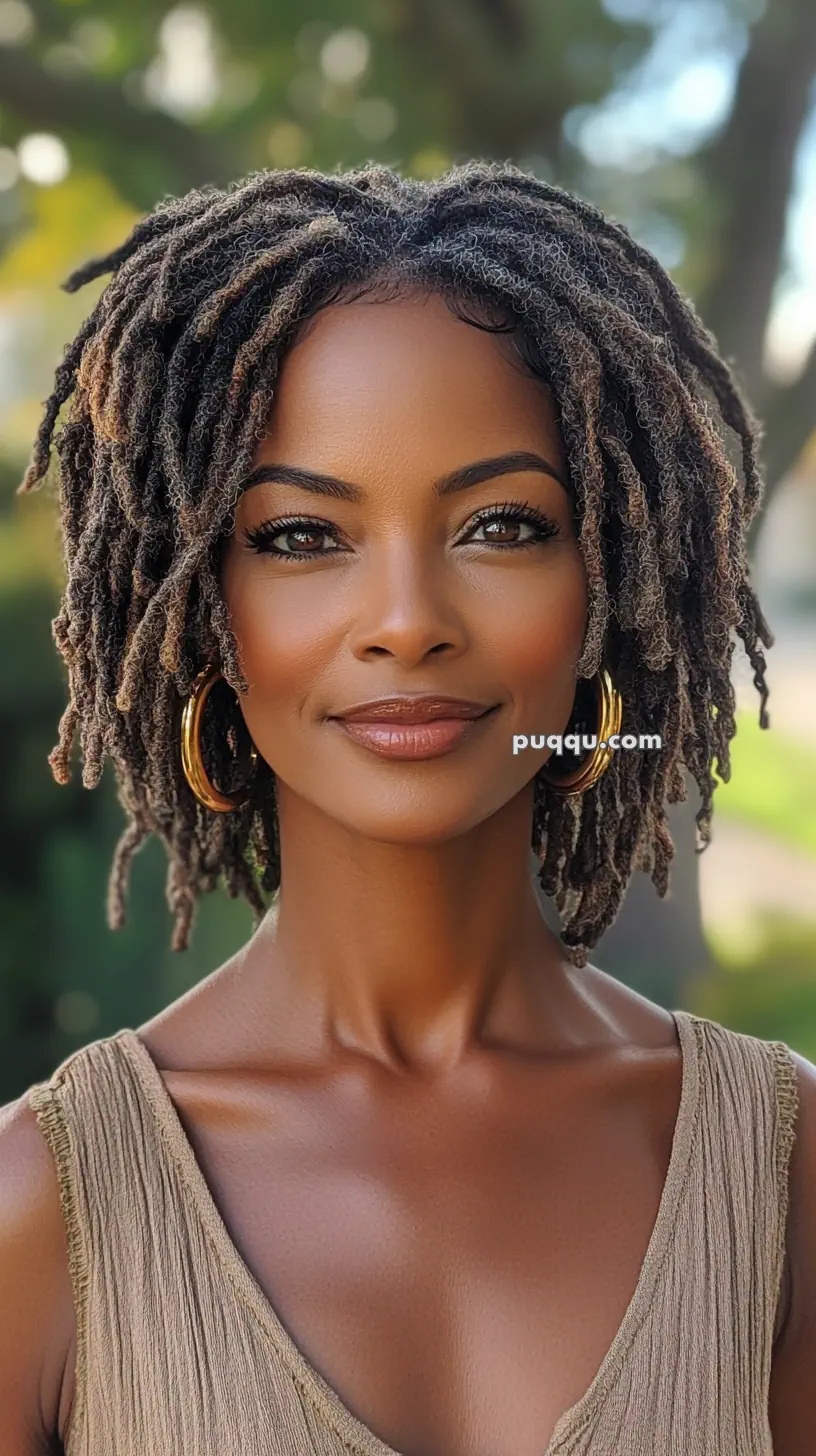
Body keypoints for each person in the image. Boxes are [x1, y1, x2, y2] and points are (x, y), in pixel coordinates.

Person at [0, 159, 813, 1455]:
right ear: (199, 603)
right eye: (302, 537)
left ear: (608, 585)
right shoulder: (40, 1210)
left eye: (500, 526)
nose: (406, 624)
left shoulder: (784, 1173)